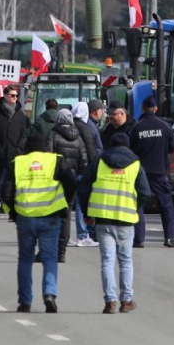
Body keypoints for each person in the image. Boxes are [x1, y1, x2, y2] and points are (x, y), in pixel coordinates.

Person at [2, 135, 77, 313]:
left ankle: (25, 301)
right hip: (50, 216)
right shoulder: (55, 161)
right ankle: (49, 294)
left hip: (25, 217)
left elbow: (5, 193)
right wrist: (65, 203)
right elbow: (71, 182)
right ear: (46, 148)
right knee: (50, 258)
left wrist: (12, 212)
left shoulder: (17, 163)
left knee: (25, 259)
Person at [80, 133, 150, 314]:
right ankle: (126, 300)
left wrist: (87, 213)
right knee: (126, 260)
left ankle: (110, 301)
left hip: (103, 218)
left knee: (107, 261)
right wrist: (135, 207)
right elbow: (145, 192)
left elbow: (84, 187)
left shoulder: (99, 162)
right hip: (126, 219)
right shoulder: (135, 165)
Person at [130, 96, 174, 248]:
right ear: (156, 108)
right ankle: (169, 237)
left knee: (138, 205)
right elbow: (172, 147)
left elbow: (130, 150)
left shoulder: (137, 128)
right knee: (166, 205)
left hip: (140, 172)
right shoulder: (165, 127)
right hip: (159, 171)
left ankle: (139, 240)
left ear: (142, 108)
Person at [0, 85, 29, 222]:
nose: (15, 98)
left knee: (12, 184)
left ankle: (11, 212)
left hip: (14, 154)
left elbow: (24, 133)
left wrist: (19, 147)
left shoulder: (20, 114)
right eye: (12, 95)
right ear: (5, 96)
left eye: (16, 96)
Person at [46, 109, 86, 262]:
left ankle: (49, 249)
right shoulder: (78, 137)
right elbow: (84, 160)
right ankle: (61, 252)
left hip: (55, 180)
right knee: (66, 215)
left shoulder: (53, 134)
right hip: (71, 180)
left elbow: (47, 156)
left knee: (50, 215)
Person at [70, 102, 99, 246]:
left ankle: (63, 235)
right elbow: (90, 150)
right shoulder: (86, 128)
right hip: (83, 170)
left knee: (67, 203)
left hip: (68, 169)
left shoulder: (69, 127)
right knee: (82, 203)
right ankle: (82, 235)